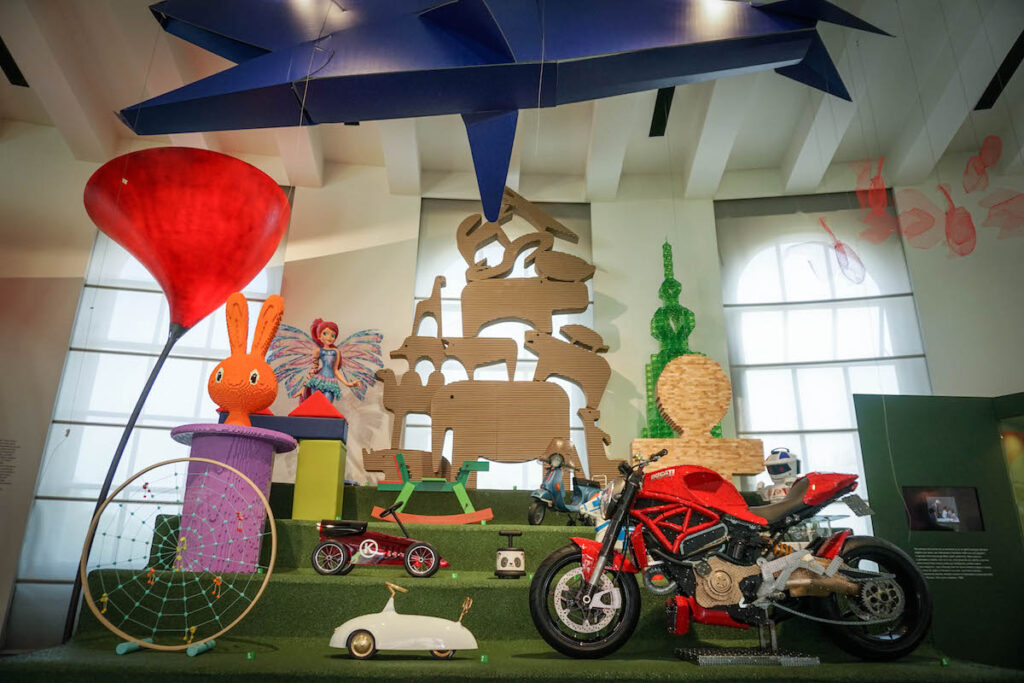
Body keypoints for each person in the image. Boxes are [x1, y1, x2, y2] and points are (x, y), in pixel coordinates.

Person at [302, 318, 359, 402]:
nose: (329, 337)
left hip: (331, 383)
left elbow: (335, 370)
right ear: (319, 336)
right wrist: (304, 387)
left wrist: (347, 383)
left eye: (333, 335)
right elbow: (313, 369)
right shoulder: (318, 350)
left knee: (327, 405)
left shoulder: (336, 352)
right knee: (315, 405)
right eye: (325, 333)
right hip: (317, 381)